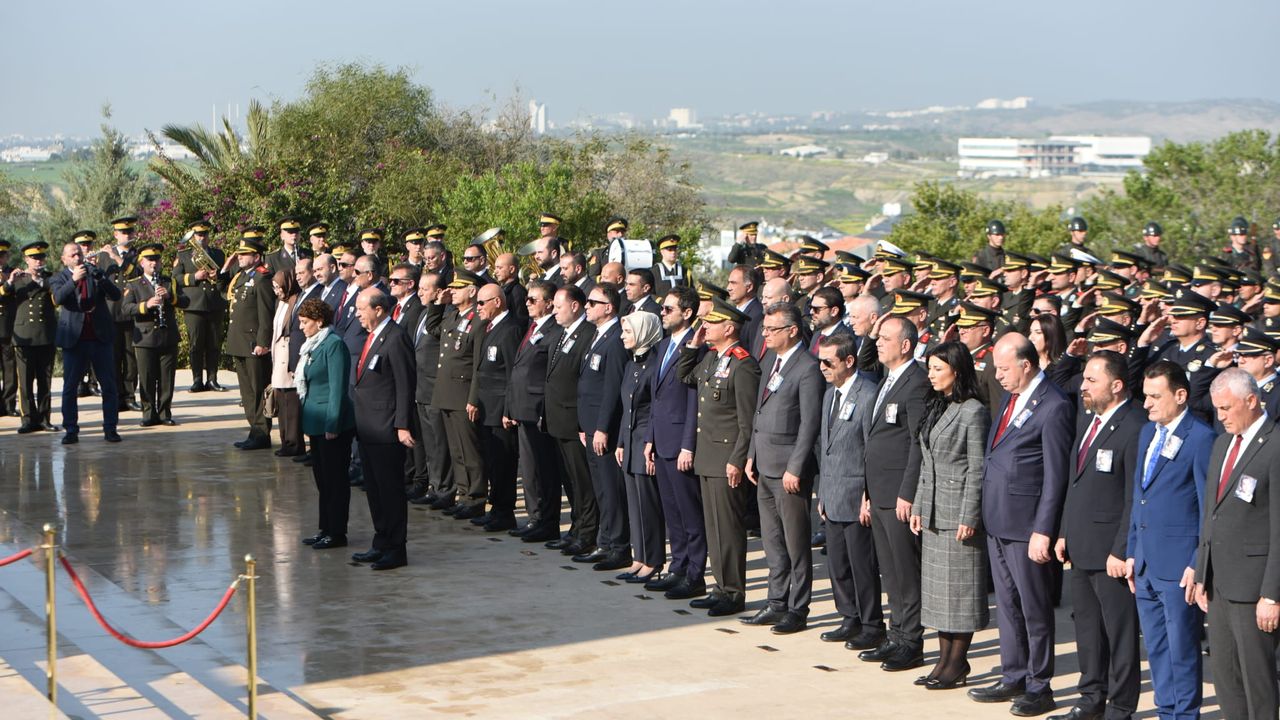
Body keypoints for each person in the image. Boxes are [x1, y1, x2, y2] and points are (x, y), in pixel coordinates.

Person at [969, 333, 1074, 717]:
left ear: (1026, 365)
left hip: (1028, 525)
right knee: (1008, 605)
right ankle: (1013, 674)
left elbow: (1056, 476)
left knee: (1034, 608)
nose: (997, 375)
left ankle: (1039, 684)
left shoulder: (1055, 406)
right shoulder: (1013, 398)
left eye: (1003, 367)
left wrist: (1044, 529)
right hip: (999, 519)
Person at [1051, 351, 1146, 720]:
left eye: (1092, 380)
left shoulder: (1134, 426)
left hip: (1111, 553)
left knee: (1119, 634)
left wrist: (1121, 549)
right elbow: (1075, 484)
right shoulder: (1089, 419)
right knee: (1089, 631)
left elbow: (1132, 497)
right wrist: (1063, 532)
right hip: (1080, 545)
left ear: (1117, 385)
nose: (1083, 386)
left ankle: (1120, 707)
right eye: (1083, 379)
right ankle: (1091, 699)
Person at [1125, 359, 1213, 720]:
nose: (1146, 404)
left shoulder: (1202, 438)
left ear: (1180, 395)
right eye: (1145, 396)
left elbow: (1208, 508)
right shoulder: (1148, 433)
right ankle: (1167, 711)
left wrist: (1198, 561)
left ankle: (1185, 714)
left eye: (1155, 396)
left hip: (1179, 566)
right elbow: (1138, 497)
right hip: (1145, 562)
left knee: (1181, 647)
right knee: (1158, 647)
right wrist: (1132, 551)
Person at [1195, 368, 1280, 719]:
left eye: (1227, 408)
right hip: (1219, 585)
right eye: (1217, 409)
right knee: (1227, 680)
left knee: (1257, 683)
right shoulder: (1222, 443)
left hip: (1254, 589)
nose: (1221, 416)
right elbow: (1210, 514)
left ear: (1252, 400)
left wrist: (1272, 594)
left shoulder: (1275, 446)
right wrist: (1202, 573)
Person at [909, 341, 990, 690]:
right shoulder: (938, 405)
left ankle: (956, 663)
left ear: (957, 370)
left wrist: (970, 515)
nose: (931, 374)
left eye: (937, 368)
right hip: (933, 510)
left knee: (961, 593)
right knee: (940, 595)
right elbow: (926, 463)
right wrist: (917, 505)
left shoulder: (973, 411)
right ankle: (944, 662)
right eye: (929, 367)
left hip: (957, 512)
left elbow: (977, 467)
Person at [741, 302, 824, 635]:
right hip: (763, 464)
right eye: (764, 328)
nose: (765, 334)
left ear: (792, 330)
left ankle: (797, 607)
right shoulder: (769, 362)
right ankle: (776, 601)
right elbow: (758, 415)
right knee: (773, 541)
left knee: (795, 543)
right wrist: (750, 455)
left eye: (772, 329)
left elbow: (809, 423)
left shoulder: (807, 368)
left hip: (789, 470)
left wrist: (797, 466)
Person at [677, 296, 760, 616]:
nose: (704, 327)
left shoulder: (743, 364)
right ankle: (720, 586)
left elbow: (747, 420)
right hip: (707, 456)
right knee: (713, 526)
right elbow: (684, 377)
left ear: (730, 327)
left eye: (710, 323)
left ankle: (733, 592)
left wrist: (737, 459)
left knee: (729, 528)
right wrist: (692, 346)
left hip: (726, 458)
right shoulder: (712, 358)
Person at [858, 316, 929, 672]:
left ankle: (911, 641)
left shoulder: (916, 382)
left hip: (899, 494)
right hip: (879, 491)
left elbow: (917, 443)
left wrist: (908, 492)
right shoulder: (887, 380)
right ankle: (896, 634)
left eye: (885, 338)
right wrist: (867, 492)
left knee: (906, 571)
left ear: (906, 345)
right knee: (890, 570)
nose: (878, 342)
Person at [815, 333, 885, 649]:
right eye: (820, 361)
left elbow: (872, 451)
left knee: (862, 566)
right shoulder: (830, 395)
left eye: (828, 362)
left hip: (857, 495)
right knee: (839, 565)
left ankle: (871, 623)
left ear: (848, 361)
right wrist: (824, 492)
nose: (822, 367)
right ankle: (849, 616)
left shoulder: (868, 395)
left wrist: (868, 496)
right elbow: (826, 446)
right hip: (833, 492)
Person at [643, 286, 707, 599]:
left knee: (689, 512)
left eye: (669, 309)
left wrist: (688, 445)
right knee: (672, 512)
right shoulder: (665, 344)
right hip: (662, 437)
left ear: (688, 312)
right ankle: (678, 567)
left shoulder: (697, 345)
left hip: (681, 441)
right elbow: (657, 397)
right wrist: (650, 438)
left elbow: (694, 400)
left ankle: (695, 574)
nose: (663, 313)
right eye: (663, 309)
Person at [349, 288, 416, 571]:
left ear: (378, 309)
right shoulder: (373, 336)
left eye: (361, 308)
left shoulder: (396, 337)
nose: (357, 314)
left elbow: (405, 384)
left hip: (387, 428)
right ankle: (381, 541)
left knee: (390, 491)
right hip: (367, 428)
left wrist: (402, 424)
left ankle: (396, 549)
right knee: (374, 491)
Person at [575, 283, 631, 570]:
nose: (586, 306)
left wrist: (603, 428)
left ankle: (618, 546)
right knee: (600, 489)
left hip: (603, 430)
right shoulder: (598, 336)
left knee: (611, 489)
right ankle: (605, 540)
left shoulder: (615, 340)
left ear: (608, 307)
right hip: (590, 427)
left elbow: (611, 390)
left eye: (592, 302)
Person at [502, 279, 561, 541]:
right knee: (529, 468)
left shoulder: (553, 331)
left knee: (543, 470)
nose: (527, 303)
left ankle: (546, 521)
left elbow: (549, 375)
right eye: (526, 299)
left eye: (533, 299)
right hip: (522, 407)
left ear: (549, 303)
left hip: (538, 409)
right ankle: (534, 516)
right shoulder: (532, 326)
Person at [544, 285, 599, 557]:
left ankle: (588, 532)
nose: (553, 311)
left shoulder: (587, 334)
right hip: (557, 419)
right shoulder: (560, 333)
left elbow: (584, 381)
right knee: (569, 480)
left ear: (575, 306)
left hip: (574, 420)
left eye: (558, 306)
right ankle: (576, 527)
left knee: (582, 481)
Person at [296, 298, 355, 550]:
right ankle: (325, 528)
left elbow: (337, 389)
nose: (301, 327)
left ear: (319, 322)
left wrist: (333, 423)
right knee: (322, 480)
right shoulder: (312, 345)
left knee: (335, 481)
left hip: (332, 425)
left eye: (305, 322)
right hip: (315, 423)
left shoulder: (333, 345)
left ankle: (337, 532)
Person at [50, 241, 121, 443]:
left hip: (100, 338)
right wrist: (73, 280)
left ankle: (110, 429)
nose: (77, 258)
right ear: (64, 259)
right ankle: (71, 430)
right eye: (72, 255)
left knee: (109, 386)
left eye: (79, 254)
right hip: (75, 340)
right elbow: (58, 298)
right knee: (70, 388)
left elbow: (115, 295)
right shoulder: (59, 277)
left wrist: (101, 277)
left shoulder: (94, 272)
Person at [467, 283, 522, 532]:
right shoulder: (490, 327)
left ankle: (504, 512)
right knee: (492, 462)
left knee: (503, 464)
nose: (477, 307)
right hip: (487, 408)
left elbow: (512, 373)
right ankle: (496, 509)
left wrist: (509, 409)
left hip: (500, 409)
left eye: (481, 302)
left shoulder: (509, 330)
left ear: (497, 302)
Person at [615, 310, 665, 583]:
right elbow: (627, 407)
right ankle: (639, 557)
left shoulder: (655, 364)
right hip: (630, 441)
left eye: (629, 332)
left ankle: (653, 560)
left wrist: (650, 443)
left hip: (646, 442)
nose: (623, 336)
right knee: (633, 504)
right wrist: (621, 442)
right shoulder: (631, 363)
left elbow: (655, 409)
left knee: (648, 504)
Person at [122, 243, 188, 427]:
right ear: (142, 262)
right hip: (144, 338)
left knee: (167, 378)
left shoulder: (169, 282)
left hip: (168, 336)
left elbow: (185, 301)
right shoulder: (134, 284)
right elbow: (126, 308)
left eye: (157, 260)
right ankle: (148, 413)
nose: (154, 263)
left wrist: (170, 297)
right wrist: (146, 305)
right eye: (150, 260)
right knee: (147, 377)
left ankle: (165, 412)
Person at [224, 230, 277, 450]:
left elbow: (266, 314)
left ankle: (262, 433)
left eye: (245, 254)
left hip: (254, 343)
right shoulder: (243, 276)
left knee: (258, 391)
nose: (240, 257)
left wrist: (263, 342)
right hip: (239, 342)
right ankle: (254, 430)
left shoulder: (262, 278)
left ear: (256, 256)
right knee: (247, 393)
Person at [410, 272, 455, 507]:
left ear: (438, 292)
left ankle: (446, 489)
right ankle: (435, 486)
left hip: (436, 388)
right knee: (429, 443)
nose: (419, 292)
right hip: (421, 389)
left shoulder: (444, 315)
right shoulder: (422, 313)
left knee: (440, 443)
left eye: (424, 289)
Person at [8, 239, 57, 433]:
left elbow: (57, 297)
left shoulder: (50, 279)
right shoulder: (18, 279)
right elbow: (3, 294)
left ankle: (44, 418)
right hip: (24, 335)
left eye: (41, 257)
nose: (38, 261)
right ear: (26, 259)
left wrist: (39, 280)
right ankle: (27, 419)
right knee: (25, 382)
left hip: (45, 335)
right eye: (34, 258)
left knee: (45, 380)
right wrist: (10, 281)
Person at [174, 219, 227, 392]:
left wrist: (216, 275)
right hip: (194, 306)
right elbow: (176, 278)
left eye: (204, 234)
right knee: (195, 344)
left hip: (214, 303)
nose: (201, 238)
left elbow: (225, 277)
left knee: (213, 343)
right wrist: (194, 277)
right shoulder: (183, 255)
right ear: (193, 235)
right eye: (198, 235)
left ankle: (212, 379)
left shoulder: (218, 254)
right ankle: (197, 379)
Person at [98, 216, 141, 413]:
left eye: (130, 232)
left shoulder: (137, 254)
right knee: (113, 358)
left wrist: (117, 258)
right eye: (124, 233)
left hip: (130, 312)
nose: (128, 235)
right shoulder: (103, 256)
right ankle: (116, 397)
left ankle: (130, 396)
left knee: (131, 359)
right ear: (116, 235)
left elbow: (136, 274)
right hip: (111, 313)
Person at [269, 269, 304, 456]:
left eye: (279, 287)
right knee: (281, 403)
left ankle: (294, 444)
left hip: (289, 358)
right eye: (274, 287)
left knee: (291, 405)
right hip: (279, 358)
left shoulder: (295, 301)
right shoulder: (281, 303)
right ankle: (285, 441)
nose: (277, 291)